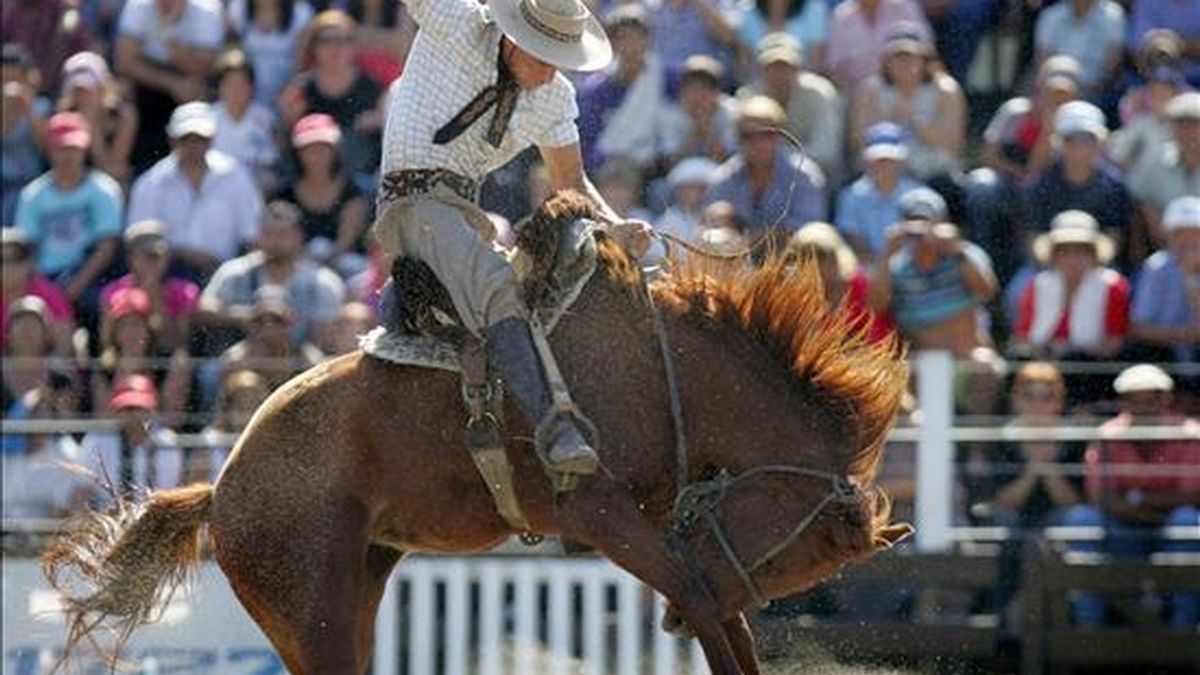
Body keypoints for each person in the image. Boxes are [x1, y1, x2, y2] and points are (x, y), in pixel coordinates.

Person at [371, 0, 654, 476]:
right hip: (410, 202)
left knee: (556, 286)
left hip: (465, 216)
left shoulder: (555, 97)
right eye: (543, 58)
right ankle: (556, 427)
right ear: (512, 40)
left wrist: (613, 227)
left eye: (558, 61)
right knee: (498, 283)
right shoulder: (458, 21)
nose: (549, 74)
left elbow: (572, 184)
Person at [1062, 364, 1200, 627]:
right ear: (1122, 401)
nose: (1145, 404)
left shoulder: (1191, 434)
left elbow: (1193, 497)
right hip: (1124, 533)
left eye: (1154, 396)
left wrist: (1136, 499)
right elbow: (1101, 497)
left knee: (1187, 521)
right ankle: (1087, 634)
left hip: (1171, 534)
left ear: (1167, 398)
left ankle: (1186, 634)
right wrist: (1152, 508)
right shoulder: (1107, 436)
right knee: (1081, 520)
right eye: (1133, 397)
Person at [127, 101, 265, 281]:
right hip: (166, 277)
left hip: (225, 276)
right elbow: (139, 244)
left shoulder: (237, 178)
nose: (194, 145)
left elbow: (251, 237)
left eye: (201, 139)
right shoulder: (150, 183)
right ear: (171, 139)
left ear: (213, 139)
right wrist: (184, 255)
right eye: (185, 138)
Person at [197, 200, 347, 354]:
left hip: (299, 364)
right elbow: (203, 308)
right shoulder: (235, 272)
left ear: (299, 236)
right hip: (244, 362)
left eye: (282, 234)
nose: (274, 241)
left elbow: (323, 339)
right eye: (267, 233)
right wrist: (248, 316)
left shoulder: (322, 282)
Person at [868, 187, 998, 360]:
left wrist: (956, 251)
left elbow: (987, 292)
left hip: (969, 357)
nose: (920, 232)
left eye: (927, 222)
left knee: (986, 364)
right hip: (922, 362)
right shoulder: (895, 266)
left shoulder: (967, 254)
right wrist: (886, 254)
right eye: (913, 222)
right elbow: (877, 306)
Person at [14, 112, 123, 315]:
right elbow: (27, 250)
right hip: (43, 278)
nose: (67, 155)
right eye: (60, 148)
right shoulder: (32, 195)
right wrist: (47, 290)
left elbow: (106, 248)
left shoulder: (104, 189)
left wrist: (75, 286)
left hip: (91, 276)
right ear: (49, 151)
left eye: (73, 148)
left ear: (85, 149)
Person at [849, 22, 966, 187]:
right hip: (881, 176)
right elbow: (857, 141)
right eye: (897, 57)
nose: (904, 63)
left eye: (910, 57)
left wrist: (915, 119)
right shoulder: (870, 90)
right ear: (886, 62)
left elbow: (952, 144)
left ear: (925, 60)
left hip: (934, 174)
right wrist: (887, 120)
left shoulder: (946, 90)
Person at [114, 0, 224, 172]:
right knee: (125, 94)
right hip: (147, 84)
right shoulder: (138, 6)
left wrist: (168, 37)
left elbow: (203, 67)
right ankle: (136, 166)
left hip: (189, 82)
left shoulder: (206, 10)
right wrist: (172, 83)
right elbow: (125, 62)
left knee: (197, 90)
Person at [278, 9, 386, 180]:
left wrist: (379, 120)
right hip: (311, 177)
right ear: (314, 47)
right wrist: (289, 121)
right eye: (327, 41)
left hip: (360, 178)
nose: (335, 48)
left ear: (354, 46)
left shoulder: (372, 88)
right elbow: (284, 142)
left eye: (343, 41)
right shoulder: (299, 89)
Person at [1011, 210, 1130, 366]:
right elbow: (1022, 336)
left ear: (1094, 255)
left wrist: (1069, 351)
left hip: (1090, 368)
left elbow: (1114, 343)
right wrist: (1044, 353)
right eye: (1064, 252)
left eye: (1081, 251)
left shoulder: (1113, 286)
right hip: (1041, 364)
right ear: (1053, 255)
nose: (1073, 259)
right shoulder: (1038, 284)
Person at [1021, 101, 1133, 265]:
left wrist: (1085, 269)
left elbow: (1113, 237)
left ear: (1099, 143)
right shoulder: (1040, 186)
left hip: (1098, 266)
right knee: (1019, 287)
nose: (1080, 146)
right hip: (1048, 266)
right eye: (1072, 139)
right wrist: (1061, 268)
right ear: (1060, 143)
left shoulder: (1114, 187)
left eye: (1087, 139)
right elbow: (1033, 238)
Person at [706, 95, 826, 247]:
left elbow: (809, 229)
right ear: (737, 138)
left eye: (767, 134)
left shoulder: (804, 176)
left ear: (781, 136)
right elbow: (712, 225)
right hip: (740, 263)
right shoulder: (724, 177)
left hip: (793, 261)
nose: (758, 142)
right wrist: (720, 221)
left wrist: (758, 238)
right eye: (748, 135)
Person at [735, 32, 844, 186]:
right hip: (758, 177)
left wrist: (778, 159)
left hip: (815, 179)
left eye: (786, 67)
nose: (779, 74)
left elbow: (827, 153)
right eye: (772, 67)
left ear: (799, 68)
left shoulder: (820, 94)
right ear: (760, 69)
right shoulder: (747, 96)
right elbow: (737, 148)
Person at [577, 5, 672, 174]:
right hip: (608, 170)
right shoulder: (597, 89)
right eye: (624, 38)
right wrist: (608, 160)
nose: (632, 45)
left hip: (654, 168)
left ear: (648, 40)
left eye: (638, 37)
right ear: (613, 43)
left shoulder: (666, 77)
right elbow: (587, 142)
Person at [277, 113, 370, 276]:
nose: (317, 154)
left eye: (323, 147)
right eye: (309, 148)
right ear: (298, 153)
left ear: (335, 150)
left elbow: (345, 243)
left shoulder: (353, 192)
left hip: (342, 268)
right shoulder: (285, 194)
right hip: (296, 267)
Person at [77, 373, 184, 506]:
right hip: (107, 518)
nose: (133, 416)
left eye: (139, 409)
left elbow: (170, 493)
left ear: (152, 410)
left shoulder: (167, 443)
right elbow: (82, 491)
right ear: (116, 411)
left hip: (155, 518)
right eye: (127, 409)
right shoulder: (98, 440)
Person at [1128, 196, 1200, 388]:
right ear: (1167, 235)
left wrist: (1191, 279)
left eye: (1193, 232)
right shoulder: (1156, 267)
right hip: (1165, 353)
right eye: (1179, 233)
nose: (1187, 239)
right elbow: (1140, 327)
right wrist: (1185, 335)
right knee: (1142, 352)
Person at [99, 220, 201, 353]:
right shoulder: (112, 292)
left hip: (164, 366)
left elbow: (177, 343)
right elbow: (107, 343)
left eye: (158, 256)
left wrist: (155, 296)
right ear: (131, 257)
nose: (153, 262)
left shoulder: (185, 292)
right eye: (147, 255)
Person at [834, 121, 927, 264]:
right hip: (867, 268)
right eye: (878, 160)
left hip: (911, 269)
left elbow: (922, 242)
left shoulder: (920, 195)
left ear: (901, 161)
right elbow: (856, 245)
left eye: (889, 160)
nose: (883, 165)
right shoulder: (851, 196)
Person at [1127, 92, 1200, 247]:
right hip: (1165, 250)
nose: (1187, 131)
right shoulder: (1154, 162)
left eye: (1194, 123)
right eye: (1180, 124)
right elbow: (1140, 199)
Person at [56, 51, 139, 185]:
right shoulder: (63, 117)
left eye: (88, 89)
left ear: (103, 87)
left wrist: (91, 125)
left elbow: (111, 169)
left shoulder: (124, 115)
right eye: (77, 91)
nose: (83, 97)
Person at [825, 0, 931, 97]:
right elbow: (836, 67)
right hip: (855, 95)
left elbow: (926, 52)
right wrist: (860, 97)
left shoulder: (905, 7)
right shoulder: (842, 15)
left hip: (908, 91)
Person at [211, 48, 281, 194]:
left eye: (242, 83)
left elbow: (269, 161)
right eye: (229, 83)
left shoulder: (265, 118)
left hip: (253, 188)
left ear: (252, 87)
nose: (236, 90)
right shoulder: (207, 118)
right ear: (220, 87)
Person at [225, 0, 317, 109]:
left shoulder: (301, 13)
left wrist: (286, 95)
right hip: (245, 101)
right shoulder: (237, 9)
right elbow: (230, 59)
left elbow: (302, 64)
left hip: (286, 100)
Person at [1033, 0, 1127, 101]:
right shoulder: (1050, 15)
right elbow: (1043, 61)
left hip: (1097, 92)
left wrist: (1089, 89)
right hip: (1055, 87)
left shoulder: (1114, 16)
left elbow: (1111, 66)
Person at [188, 369, 271, 483]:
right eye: (241, 406)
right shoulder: (209, 445)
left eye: (254, 405)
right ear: (227, 409)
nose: (248, 414)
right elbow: (194, 489)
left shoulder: (270, 445)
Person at [1, 228, 75, 356]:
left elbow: (63, 347)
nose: (8, 265)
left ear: (30, 262)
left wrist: (47, 373)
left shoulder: (50, 295)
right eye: (1, 259)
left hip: (44, 370)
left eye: (16, 258)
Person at [735, 0, 830, 73]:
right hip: (758, 87)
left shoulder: (813, 9)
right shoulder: (748, 12)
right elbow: (744, 67)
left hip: (804, 84)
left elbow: (816, 65)